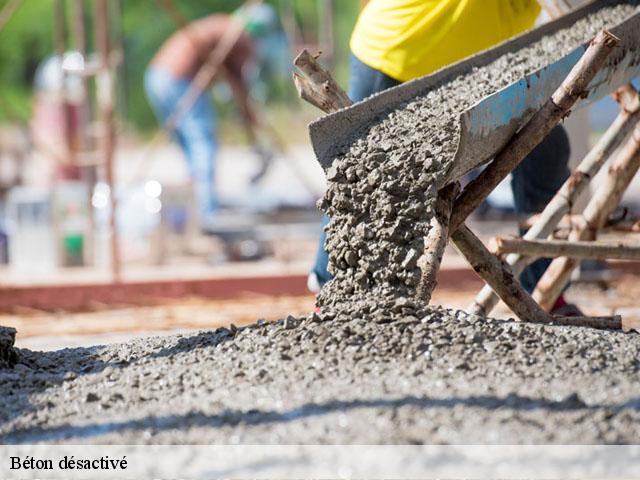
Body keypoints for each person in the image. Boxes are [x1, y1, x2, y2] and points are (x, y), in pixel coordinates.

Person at [309, 0, 578, 315]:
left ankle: (547, 291)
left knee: (545, 147)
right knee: (367, 176)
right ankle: (335, 296)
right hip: (400, 52)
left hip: (484, 63)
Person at [144, 4, 278, 227]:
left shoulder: (222, 27)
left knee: (191, 150)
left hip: (156, 77)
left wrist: (247, 116)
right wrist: (252, 119)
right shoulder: (238, 36)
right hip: (179, 80)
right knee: (202, 142)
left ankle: (195, 207)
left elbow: (234, 84)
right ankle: (207, 213)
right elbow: (239, 83)